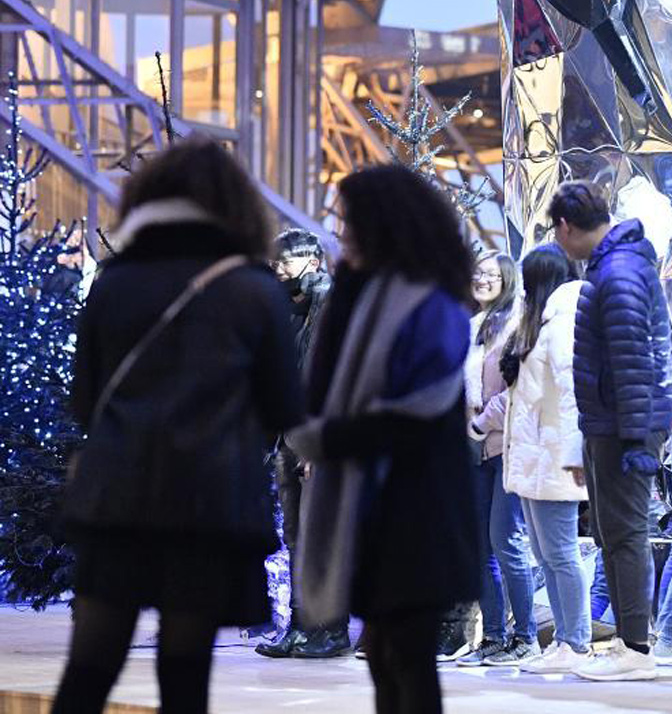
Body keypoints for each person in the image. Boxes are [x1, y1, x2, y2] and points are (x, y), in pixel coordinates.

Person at [54, 139, 303, 714]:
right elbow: (284, 409)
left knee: (90, 665)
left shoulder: (114, 282)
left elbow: (86, 401)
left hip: (118, 496)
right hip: (210, 501)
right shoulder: (254, 288)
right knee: (186, 672)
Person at [283, 164, 480, 714]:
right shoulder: (353, 294)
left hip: (419, 501)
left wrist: (330, 438)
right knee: (383, 660)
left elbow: (423, 403)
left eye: (351, 221)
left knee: (408, 660)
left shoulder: (432, 300)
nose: (341, 232)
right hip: (362, 501)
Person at [548, 181, 672, 681]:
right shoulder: (613, 265)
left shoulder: (618, 270)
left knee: (625, 536)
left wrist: (637, 442)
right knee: (613, 534)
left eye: (556, 231)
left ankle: (636, 649)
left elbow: (634, 362)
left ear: (565, 226)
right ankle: (628, 642)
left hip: (625, 428)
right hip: (613, 425)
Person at [489, 244, 591, 673]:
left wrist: (573, 455)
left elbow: (571, 395)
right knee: (546, 555)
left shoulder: (563, 320)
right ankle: (564, 640)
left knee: (561, 553)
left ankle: (576, 642)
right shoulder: (536, 320)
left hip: (554, 457)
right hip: (531, 457)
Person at [257, 229, 348, 660]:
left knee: (319, 538)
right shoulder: (287, 307)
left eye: (284, 261)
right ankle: (300, 626)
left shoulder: (329, 304)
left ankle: (331, 630)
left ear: (312, 261)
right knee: (295, 537)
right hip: (286, 438)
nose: (276, 269)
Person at [453, 250, 539, 666]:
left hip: (506, 446)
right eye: (477, 272)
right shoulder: (472, 325)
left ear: (507, 279)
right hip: (473, 448)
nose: (481, 279)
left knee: (507, 542)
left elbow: (516, 390)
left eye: (490, 274)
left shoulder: (518, 323)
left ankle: (526, 637)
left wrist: (481, 422)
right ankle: (493, 636)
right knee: (481, 548)